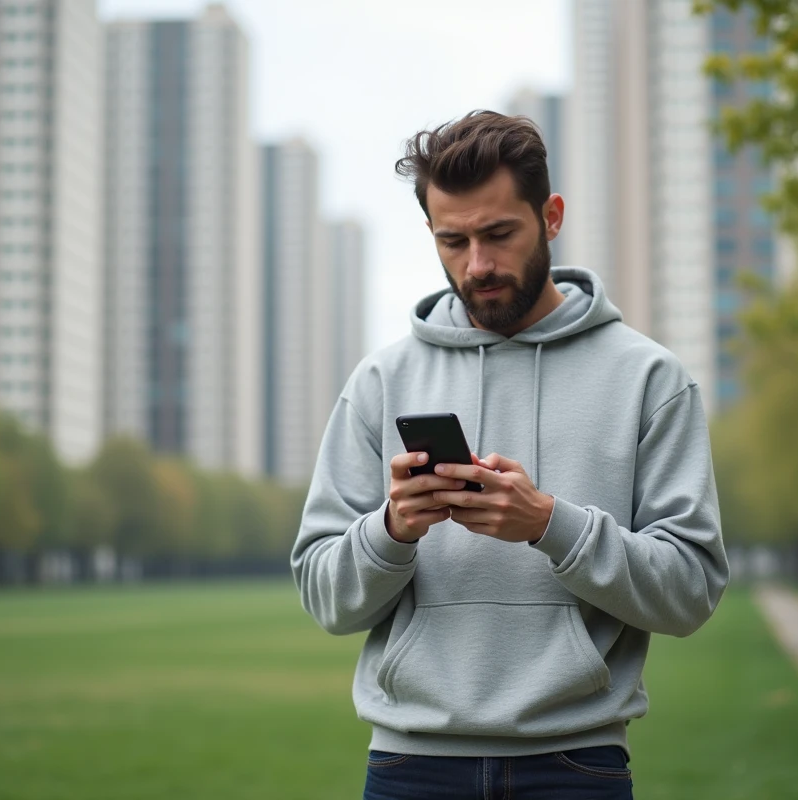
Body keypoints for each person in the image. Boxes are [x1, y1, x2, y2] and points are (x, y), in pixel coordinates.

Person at [291, 110, 728, 800]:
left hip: (576, 765)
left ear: (551, 216)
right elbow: (325, 598)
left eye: (498, 234)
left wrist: (550, 525)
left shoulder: (651, 380)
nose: (479, 265)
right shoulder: (379, 382)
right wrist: (392, 531)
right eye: (453, 241)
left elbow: (690, 593)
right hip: (410, 767)